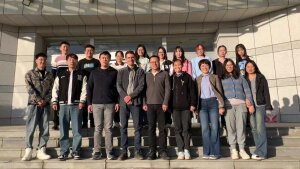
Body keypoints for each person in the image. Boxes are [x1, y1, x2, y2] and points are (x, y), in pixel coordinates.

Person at [52, 53, 87, 161]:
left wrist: (82, 101)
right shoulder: (61, 74)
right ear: (67, 61)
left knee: (77, 131)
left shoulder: (82, 74)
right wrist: (54, 101)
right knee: (64, 130)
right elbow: (55, 88)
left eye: (74, 60)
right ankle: (64, 152)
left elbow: (84, 89)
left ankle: (76, 151)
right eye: (70, 59)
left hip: (77, 105)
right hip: (63, 106)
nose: (72, 61)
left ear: (77, 62)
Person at [87, 51, 119, 160]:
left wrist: (117, 102)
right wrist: (89, 103)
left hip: (110, 104)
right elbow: (89, 88)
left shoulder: (114, 72)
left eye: (106, 58)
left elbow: (117, 89)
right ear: (99, 59)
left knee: (108, 128)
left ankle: (109, 151)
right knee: (98, 128)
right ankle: (97, 151)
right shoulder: (94, 72)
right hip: (96, 104)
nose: (104, 59)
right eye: (103, 58)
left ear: (109, 59)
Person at [22, 53, 54, 161]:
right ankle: (28, 150)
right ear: (36, 61)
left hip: (45, 105)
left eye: (44, 60)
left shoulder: (49, 75)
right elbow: (29, 89)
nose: (42, 62)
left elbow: (51, 90)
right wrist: (39, 100)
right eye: (40, 59)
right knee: (30, 128)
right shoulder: (29, 74)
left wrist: (45, 100)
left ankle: (42, 149)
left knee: (44, 128)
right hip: (33, 105)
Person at [221, 58, 255, 160]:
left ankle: (242, 149)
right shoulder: (221, 79)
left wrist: (250, 103)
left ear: (234, 66)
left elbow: (247, 90)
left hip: (241, 105)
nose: (229, 66)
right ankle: (233, 149)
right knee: (231, 128)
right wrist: (220, 106)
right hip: (228, 106)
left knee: (241, 127)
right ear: (224, 67)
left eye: (231, 65)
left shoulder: (240, 77)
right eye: (227, 65)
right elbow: (219, 94)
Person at [117, 51, 145, 160]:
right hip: (124, 103)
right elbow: (118, 86)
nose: (130, 59)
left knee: (137, 127)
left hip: (136, 102)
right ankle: (124, 151)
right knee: (123, 127)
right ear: (125, 59)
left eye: (132, 57)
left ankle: (138, 151)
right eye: (128, 57)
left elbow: (141, 86)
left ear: (135, 58)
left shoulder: (140, 71)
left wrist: (131, 96)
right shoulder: (121, 71)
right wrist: (125, 96)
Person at [196, 59, 224, 160]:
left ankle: (215, 152)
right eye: (202, 66)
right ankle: (206, 152)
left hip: (213, 103)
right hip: (202, 104)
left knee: (215, 127)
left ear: (209, 67)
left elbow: (220, 91)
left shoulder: (214, 77)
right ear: (200, 68)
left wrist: (221, 106)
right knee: (204, 129)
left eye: (206, 65)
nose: (204, 67)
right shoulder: (197, 79)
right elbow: (196, 94)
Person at [143, 55, 171, 160]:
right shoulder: (146, 75)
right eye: (152, 62)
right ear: (149, 63)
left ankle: (163, 151)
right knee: (151, 129)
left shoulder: (164, 74)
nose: (154, 63)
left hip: (161, 105)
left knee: (162, 129)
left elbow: (168, 89)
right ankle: (152, 151)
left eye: (156, 61)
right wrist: (144, 103)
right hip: (149, 105)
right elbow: (143, 90)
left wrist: (165, 103)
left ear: (159, 62)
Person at [245, 60, 272, 160]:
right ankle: (258, 150)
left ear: (255, 67)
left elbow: (266, 93)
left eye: (252, 66)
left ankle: (262, 153)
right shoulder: (244, 78)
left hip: (260, 105)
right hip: (250, 106)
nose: (250, 68)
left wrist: (268, 106)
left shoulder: (261, 77)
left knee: (260, 128)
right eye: (248, 67)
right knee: (254, 129)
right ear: (245, 68)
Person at [170, 59, 197, 160]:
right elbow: (169, 93)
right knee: (177, 129)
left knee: (186, 128)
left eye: (179, 65)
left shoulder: (188, 77)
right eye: (175, 65)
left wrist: (193, 104)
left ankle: (187, 149)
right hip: (175, 108)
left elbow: (192, 91)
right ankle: (180, 150)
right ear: (173, 66)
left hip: (186, 107)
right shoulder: (171, 78)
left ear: (182, 66)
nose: (177, 67)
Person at [77, 44, 100, 128]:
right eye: (87, 50)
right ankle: (85, 122)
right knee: (84, 104)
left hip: (94, 86)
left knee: (92, 104)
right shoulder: (81, 62)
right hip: (84, 85)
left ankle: (93, 122)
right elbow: (78, 74)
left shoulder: (97, 62)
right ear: (84, 52)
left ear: (93, 52)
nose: (89, 52)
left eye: (91, 50)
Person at [51, 41, 70, 130]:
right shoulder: (57, 59)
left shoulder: (70, 58)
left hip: (69, 83)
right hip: (59, 83)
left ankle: (67, 122)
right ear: (60, 48)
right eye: (63, 46)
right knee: (56, 102)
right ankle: (56, 122)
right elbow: (53, 72)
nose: (65, 48)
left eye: (66, 47)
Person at [111, 50, 127, 128]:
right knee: (116, 104)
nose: (119, 57)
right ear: (115, 57)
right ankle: (116, 121)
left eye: (120, 56)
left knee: (124, 105)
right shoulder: (112, 66)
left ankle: (124, 121)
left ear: (123, 57)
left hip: (124, 88)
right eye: (117, 56)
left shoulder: (126, 66)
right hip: (115, 88)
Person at [157, 46, 173, 126]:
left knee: (167, 102)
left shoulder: (169, 63)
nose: (161, 53)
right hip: (158, 86)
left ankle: (168, 121)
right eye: (159, 52)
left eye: (162, 52)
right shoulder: (155, 62)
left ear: (165, 53)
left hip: (166, 84)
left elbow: (171, 73)